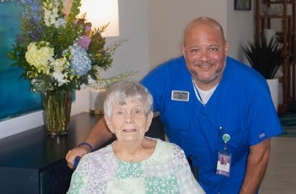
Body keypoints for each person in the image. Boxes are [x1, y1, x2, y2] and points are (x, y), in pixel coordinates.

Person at [66, 16, 282, 193]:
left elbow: (261, 152)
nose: (204, 58)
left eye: (213, 48)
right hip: (184, 175)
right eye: (195, 50)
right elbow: (123, 111)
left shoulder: (251, 85)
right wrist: (87, 146)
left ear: (225, 48)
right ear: (184, 51)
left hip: (236, 178)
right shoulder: (166, 77)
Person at [67, 81, 205, 194]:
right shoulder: (90, 165)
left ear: (148, 119)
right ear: (109, 122)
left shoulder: (173, 156)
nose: (129, 119)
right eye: (120, 112)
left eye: (137, 111)